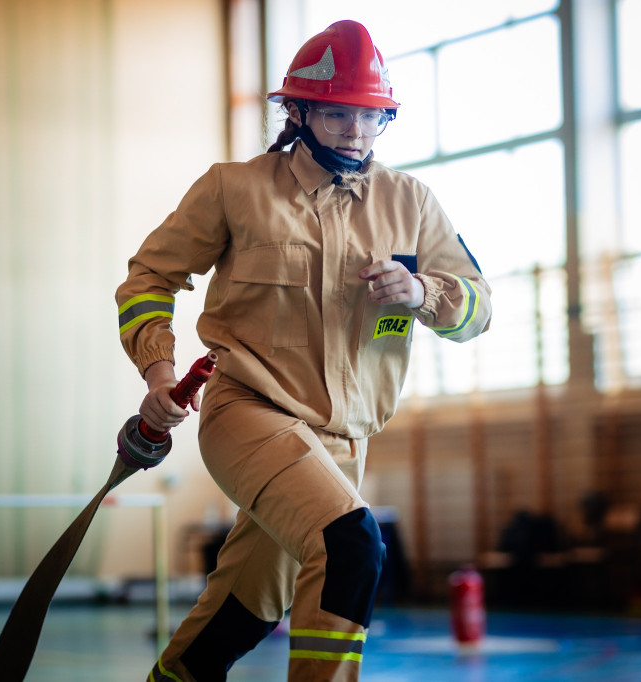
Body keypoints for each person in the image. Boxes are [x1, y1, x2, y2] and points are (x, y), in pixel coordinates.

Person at [116, 19, 492, 682]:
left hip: (343, 441)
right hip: (248, 411)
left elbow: (479, 311)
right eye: (339, 112)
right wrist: (160, 371)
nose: (356, 130)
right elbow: (148, 277)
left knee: (247, 607)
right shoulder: (235, 189)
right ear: (298, 111)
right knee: (350, 547)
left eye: (371, 116)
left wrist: (424, 291)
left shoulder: (412, 204)